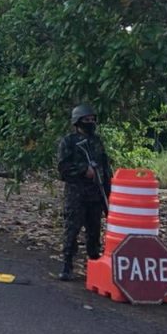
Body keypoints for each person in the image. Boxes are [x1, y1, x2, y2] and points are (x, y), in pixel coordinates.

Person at [56, 104, 113, 281]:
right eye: (87, 120)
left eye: (92, 119)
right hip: (76, 195)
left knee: (94, 231)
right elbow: (63, 168)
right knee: (72, 229)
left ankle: (94, 266)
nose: (91, 122)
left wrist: (108, 191)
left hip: (96, 194)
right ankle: (67, 265)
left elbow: (105, 167)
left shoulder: (97, 142)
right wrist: (83, 170)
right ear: (78, 121)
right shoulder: (69, 142)